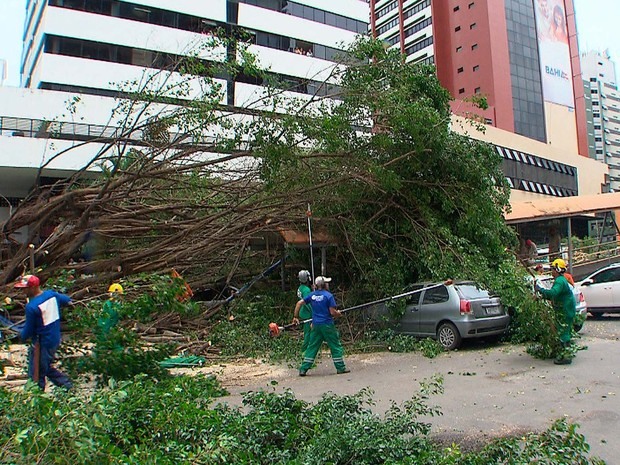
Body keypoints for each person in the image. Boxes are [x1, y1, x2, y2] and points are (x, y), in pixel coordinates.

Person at [16, 274, 73, 390]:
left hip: (42, 343)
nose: (23, 291)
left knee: (37, 372)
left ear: (32, 288)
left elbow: (28, 330)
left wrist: (20, 336)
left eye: (24, 289)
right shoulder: (51, 295)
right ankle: (66, 385)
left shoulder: (31, 307)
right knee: (44, 367)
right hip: (54, 339)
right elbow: (67, 300)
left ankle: (64, 386)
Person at [292, 276, 349, 376]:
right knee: (335, 345)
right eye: (327, 283)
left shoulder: (312, 295)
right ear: (324, 285)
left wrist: (295, 317)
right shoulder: (328, 296)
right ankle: (340, 368)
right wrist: (338, 314)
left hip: (316, 325)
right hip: (327, 325)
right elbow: (332, 312)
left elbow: (299, 303)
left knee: (312, 347)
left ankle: (303, 369)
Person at [535, 258, 576, 365]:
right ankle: (565, 353)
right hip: (564, 309)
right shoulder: (561, 280)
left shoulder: (560, 281)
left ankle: (566, 357)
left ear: (557, 269)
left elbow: (553, 293)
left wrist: (541, 290)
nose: (552, 271)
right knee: (563, 331)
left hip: (565, 310)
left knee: (564, 332)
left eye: (553, 269)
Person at [295, 270, 313, 352]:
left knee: (308, 332)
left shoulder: (300, 288)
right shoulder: (306, 290)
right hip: (307, 313)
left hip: (303, 312)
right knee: (308, 333)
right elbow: (308, 303)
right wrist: (314, 313)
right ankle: (304, 350)